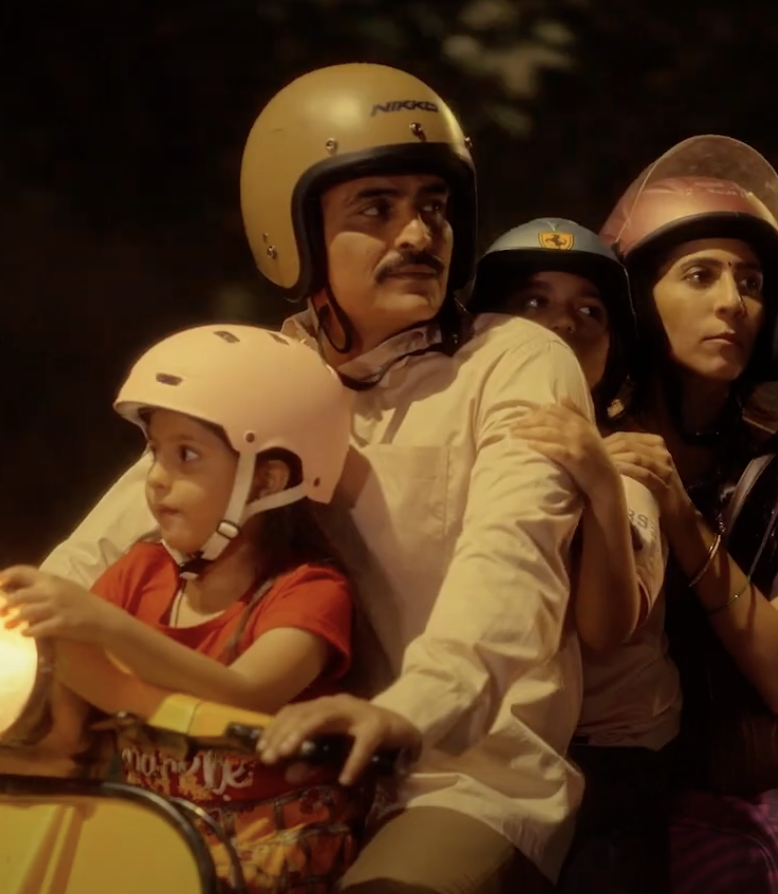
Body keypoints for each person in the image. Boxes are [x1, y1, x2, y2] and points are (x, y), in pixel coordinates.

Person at [38, 64, 592, 893]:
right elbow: (125, 524)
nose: (419, 234)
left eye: (434, 206)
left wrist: (408, 708)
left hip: (453, 771)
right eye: (377, 208)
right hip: (253, 776)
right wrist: (23, 622)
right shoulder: (269, 372)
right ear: (291, 231)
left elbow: (513, 564)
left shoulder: (514, 361)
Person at [596, 134, 778, 894]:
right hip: (593, 789)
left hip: (754, 809)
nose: (732, 301)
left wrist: (679, 515)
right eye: (700, 274)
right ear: (634, 299)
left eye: (750, 282)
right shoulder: (580, 444)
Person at [1, 323, 361, 893]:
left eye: (186, 455)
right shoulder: (140, 573)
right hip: (151, 833)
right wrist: (34, 630)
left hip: (264, 853)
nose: (156, 480)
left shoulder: (311, 591)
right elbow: (85, 693)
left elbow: (245, 694)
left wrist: (102, 625)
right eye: (155, 453)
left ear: (267, 479)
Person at [467, 217, 681, 894]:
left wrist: (601, 487)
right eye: (532, 301)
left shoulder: (628, 465)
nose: (561, 324)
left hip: (603, 762)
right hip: (484, 744)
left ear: (613, 355)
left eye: (590, 312)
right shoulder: (459, 443)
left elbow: (606, 629)